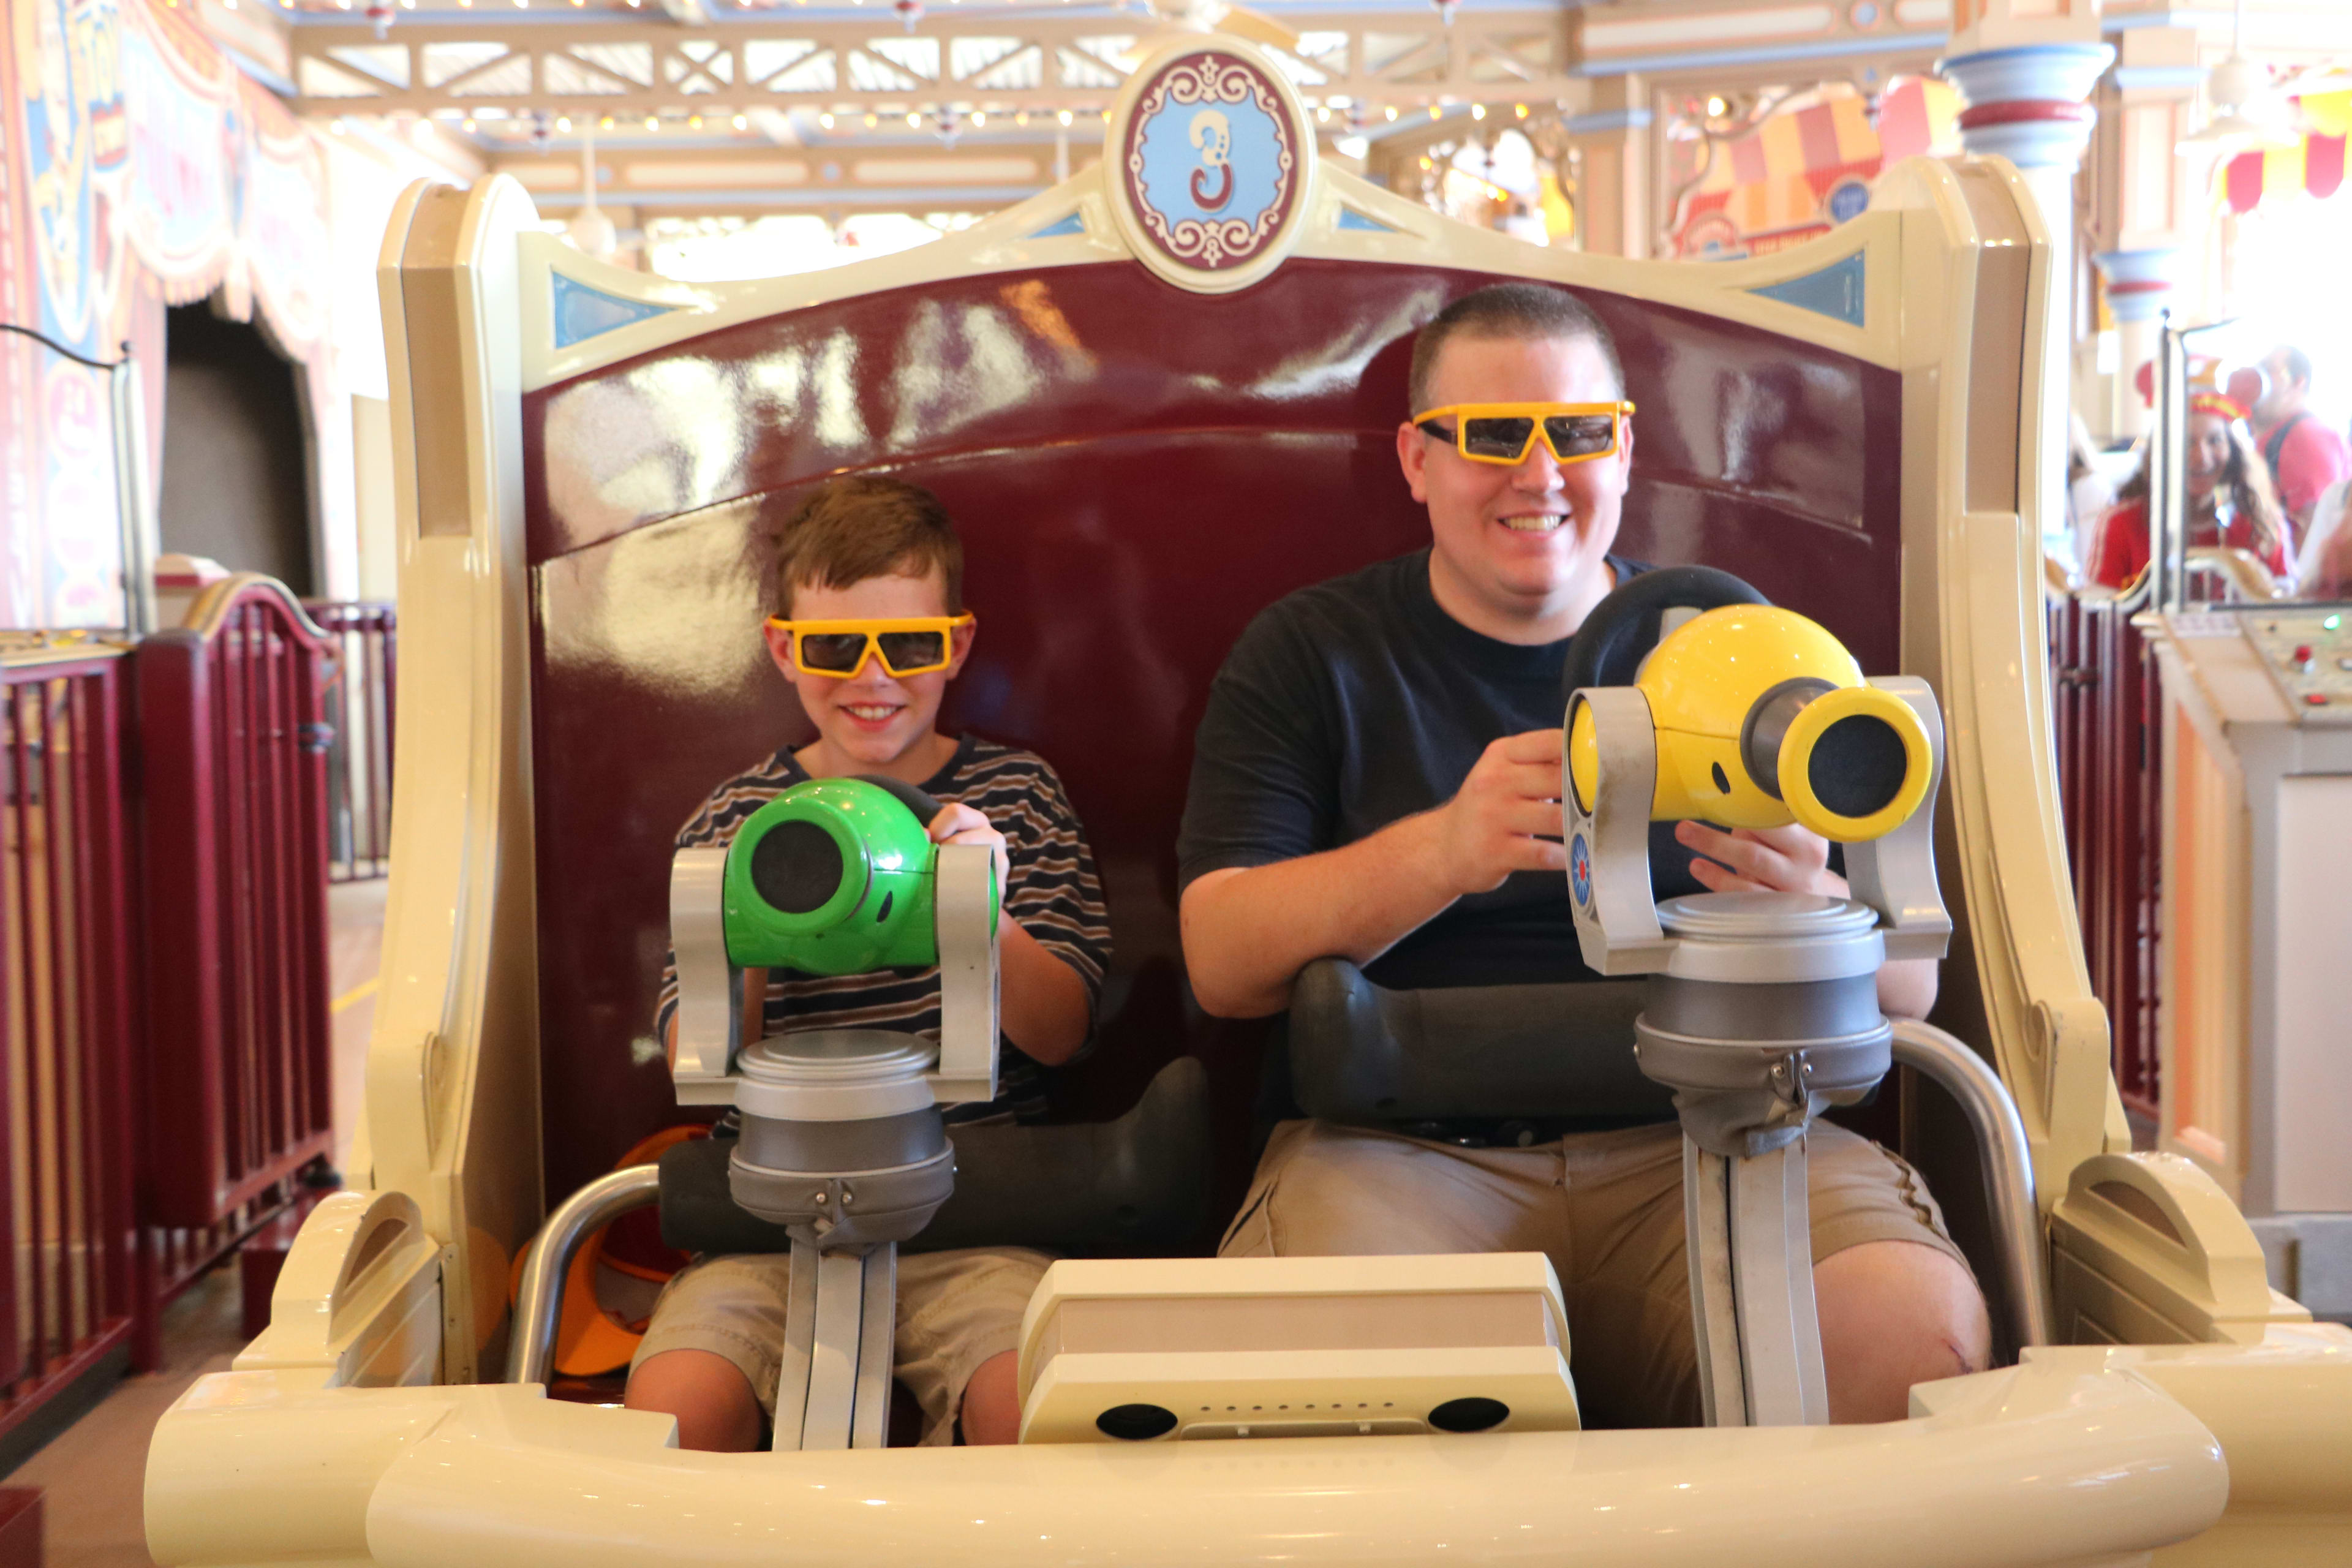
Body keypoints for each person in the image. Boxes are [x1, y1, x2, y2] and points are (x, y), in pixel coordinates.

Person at [1175, 283, 1988, 1429]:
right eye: (1493, 435)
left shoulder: (1753, 655)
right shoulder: (1311, 653)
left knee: (1905, 1339)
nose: (1540, 471)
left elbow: (1911, 992)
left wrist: (1818, 902)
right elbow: (1220, 960)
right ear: (1417, 460)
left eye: (1579, 431)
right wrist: (1443, 851)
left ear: (1626, 451)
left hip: (1726, 1131)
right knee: (1365, 1386)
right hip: (1398, 1155)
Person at [626, 477, 1111, 1450]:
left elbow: (1063, 1034)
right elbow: (697, 1067)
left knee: (1027, 1409)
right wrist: (753, 907)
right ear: (783, 649)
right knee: (676, 1415)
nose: (874, 677)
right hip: (770, 1218)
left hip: (976, 1212)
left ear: (957, 645)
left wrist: (975, 905)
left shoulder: (1016, 795)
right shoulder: (737, 819)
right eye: (836, 649)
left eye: (911, 646)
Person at [2089, 391, 2293, 591]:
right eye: (2187, 443)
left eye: (2215, 441)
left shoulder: (2261, 522)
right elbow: (2098, 608)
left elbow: (2285, 601)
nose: (2202, 457)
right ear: (2161, 453)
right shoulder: (2122, 523)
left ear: (2233, 451)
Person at [2252, 345, 2351, 533]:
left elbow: (2314, 533)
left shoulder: (2305, 436)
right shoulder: (2282, 436)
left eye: (2267, 370)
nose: (2257, 380)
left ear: (2298, 382)